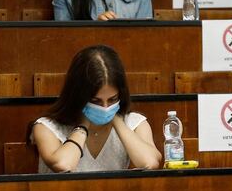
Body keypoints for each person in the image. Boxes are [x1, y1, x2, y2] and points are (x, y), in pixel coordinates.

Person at [29, 44, 161, 172]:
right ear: (78, 96)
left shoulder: (135, 123)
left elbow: (150, 163)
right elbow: (64, 165)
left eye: (112, 99)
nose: (105, 107)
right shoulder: (46, 127)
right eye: (95, 101)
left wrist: (116, 120)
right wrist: (83, 125)